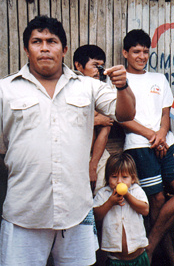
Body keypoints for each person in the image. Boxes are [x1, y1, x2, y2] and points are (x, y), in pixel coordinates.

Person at [0, 15, 135, 266]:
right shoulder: (2, 90)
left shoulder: (88, 87)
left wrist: (123, 87)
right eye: (37, 41)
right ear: (26, 48)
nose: (44, 48)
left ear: (64, 49)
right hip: (24, 213)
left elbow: (126, 113)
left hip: (77, 213)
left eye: (52, 41)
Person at [120, 29, 174, 264]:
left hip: (167, 142)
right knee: (158, 200)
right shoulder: (121, 80)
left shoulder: (159, 79)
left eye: (145, 51)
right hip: (138, 145)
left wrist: (162, 135)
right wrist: (153, 136)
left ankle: (149, 247)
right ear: (125, 53)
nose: (141, 56)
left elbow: (165, 114)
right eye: (136, 52)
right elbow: (122, 118)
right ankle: (162, 255)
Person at [93, 152, 150, 266]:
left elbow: (145, 210)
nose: (119, 181)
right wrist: (110, 203)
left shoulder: (136, 191)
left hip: (139, 256)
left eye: (124, 177)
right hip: (116, 260)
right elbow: (96, 216)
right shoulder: (104, 194)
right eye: (114, 177)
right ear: (107, 177)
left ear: (132, 179)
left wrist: (128, 196)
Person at [73, 44, 114, 195]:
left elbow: (107, 125)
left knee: (98, 192)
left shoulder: (104, 88)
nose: (100, 71)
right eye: (95, 65)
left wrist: (93, 165)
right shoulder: (71, 86)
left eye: (102, 66)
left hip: (97, 155)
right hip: (73, 152)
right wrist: (95, 120)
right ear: (79, 66)